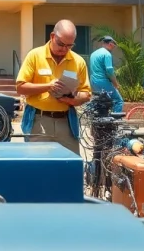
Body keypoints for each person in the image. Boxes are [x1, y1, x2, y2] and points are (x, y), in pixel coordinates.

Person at [16, 20, 91, 155]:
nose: (64, 49)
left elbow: (86, 93)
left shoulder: (78, 61)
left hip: (66, 122)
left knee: (69, 165)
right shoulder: (35, 56)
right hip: (39, 121)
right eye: (61, 44)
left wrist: (72, 99)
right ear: (52, 36)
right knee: (38, 166)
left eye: (69, 46)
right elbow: (20, 87)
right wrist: (48, 86)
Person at [89, 36, 123, 113]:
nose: (114, 47)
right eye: (114, 45)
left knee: (102, 102)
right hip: (103, 81)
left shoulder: (94, 53)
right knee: (118, 100)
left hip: (93, 81)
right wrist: (116, 84)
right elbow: (109, 71)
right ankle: (116, 122)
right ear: (111, 44)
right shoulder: (107, 54)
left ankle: (99, 121)